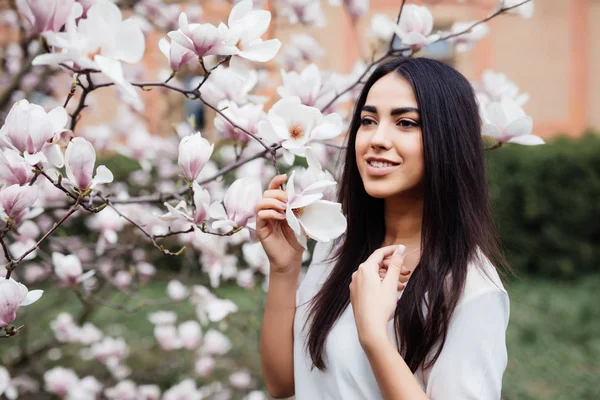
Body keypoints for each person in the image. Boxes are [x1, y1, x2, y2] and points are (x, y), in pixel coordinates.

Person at [256, 57, 510, 400]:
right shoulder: (337, 249)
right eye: (368, 120)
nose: (377, 138)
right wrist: (284, 269)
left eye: (405, 123)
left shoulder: (471, 290)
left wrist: (374, 335)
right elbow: (282, 383)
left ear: (447, 140)